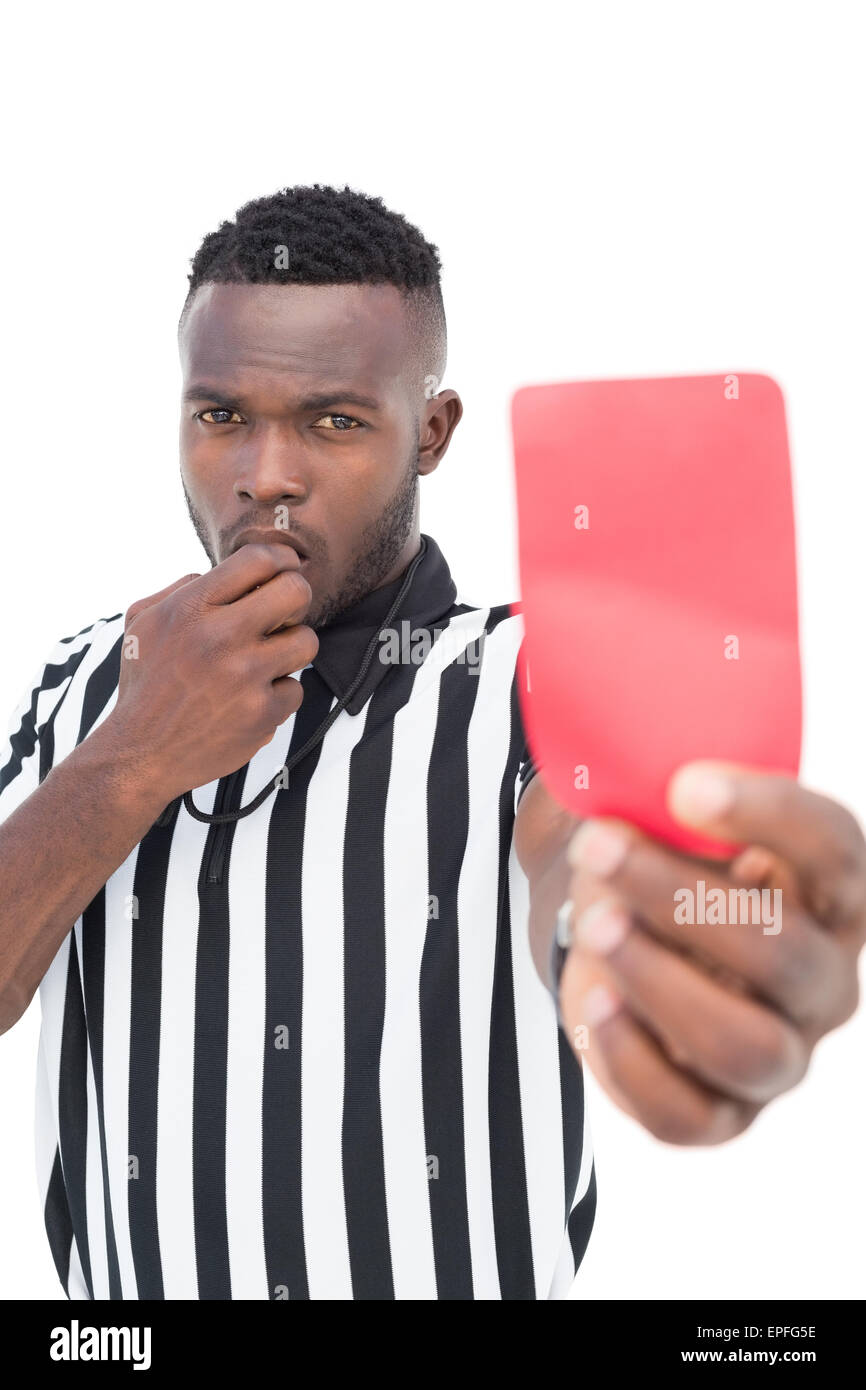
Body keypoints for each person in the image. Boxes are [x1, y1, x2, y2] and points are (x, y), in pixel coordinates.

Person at [0, 184, 863, 1301]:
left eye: (333, 421)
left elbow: (579, 843)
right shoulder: (77, 684)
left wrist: (649, 938)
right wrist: (135, 755)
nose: (267, 473)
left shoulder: (530, 674)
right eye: (222, 417)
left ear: (433, 431)